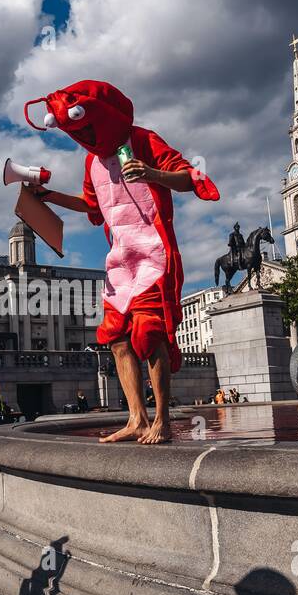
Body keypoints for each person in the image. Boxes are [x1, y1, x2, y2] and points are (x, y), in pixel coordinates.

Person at [24, 80, 219, 444]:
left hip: (153, 254)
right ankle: (136, 419)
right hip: (120, 261)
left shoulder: (143, 139)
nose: (83, 137)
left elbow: (189, 178)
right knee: (116, 339)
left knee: (149, 333)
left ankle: (161, 418)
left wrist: (151, 173)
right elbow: (92, 208)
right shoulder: (91, 162)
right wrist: (47, 196)